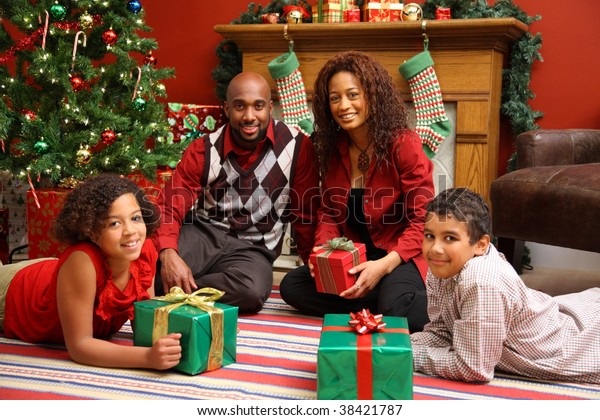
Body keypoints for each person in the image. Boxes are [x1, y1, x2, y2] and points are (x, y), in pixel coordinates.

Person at [279, 51, 435, 333]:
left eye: (353, 94)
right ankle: (375, 297)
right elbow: (328, 212)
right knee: (292, 287)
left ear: (372, 96)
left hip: (398, 256)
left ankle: (384, 295)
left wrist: (384, 266)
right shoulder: (331, 149)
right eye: (335, 98)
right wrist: (322, 252)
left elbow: (423, 218)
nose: (344, 105)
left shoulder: (404, 144)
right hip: (355, 258)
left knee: (403, 311)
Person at [152, 71, 319, 313]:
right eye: (240, 106)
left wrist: (313, 263)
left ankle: (176, 290)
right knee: (151, 268)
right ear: (227, 108)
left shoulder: (299, 147)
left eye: (258, 106)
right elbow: (169, 205)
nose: (249, 116)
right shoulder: (204, 149)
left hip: (254, 249)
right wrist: (168, 254)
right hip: (203, 234)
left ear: (270, 108)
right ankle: (181, 284)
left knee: (250, 293)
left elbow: (305, 214)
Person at [412, 187, 600, 384]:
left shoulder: (481, 281)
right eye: (430, 236)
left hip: (581, 343)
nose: (435, 248)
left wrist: (409, 357)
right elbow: (442, 334)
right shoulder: (441, 267)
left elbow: (474, 368)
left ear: (481, 244)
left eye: (450, 238)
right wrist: (398, 345)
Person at [0, 173, 182, 370]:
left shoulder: (145, 251)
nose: (130, 231)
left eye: (136, 218)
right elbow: (79, 346)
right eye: (114, 223)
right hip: (13, 293)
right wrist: (146, 358)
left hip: (56, 275)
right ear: (91, 231)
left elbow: (145, 323)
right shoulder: (82, 261)